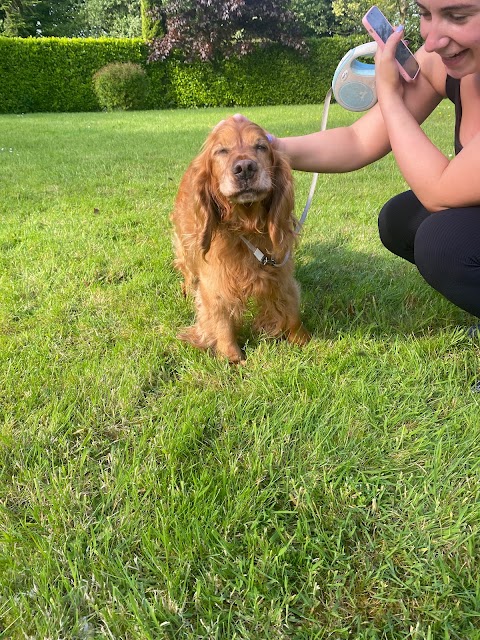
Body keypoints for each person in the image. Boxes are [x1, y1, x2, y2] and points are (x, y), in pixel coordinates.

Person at [255, 0, 480, 325]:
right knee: (401, 220)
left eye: (457, 17)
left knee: (442, 245)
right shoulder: (440, 64)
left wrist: (389, 96)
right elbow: (358, 141)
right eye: (426, 14)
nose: (431, 41)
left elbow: (439, 189)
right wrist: (269, 148)